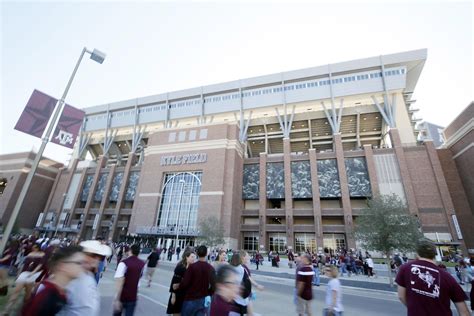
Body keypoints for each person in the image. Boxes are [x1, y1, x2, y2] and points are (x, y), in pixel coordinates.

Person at [396, 239, 469, 316]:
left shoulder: (405, 268)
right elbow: (464, 311)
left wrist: (414, 308)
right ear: (435, 254)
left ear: (417, 253)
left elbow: (401, 296)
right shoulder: (447, 277)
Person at [22, 246, 85, 316]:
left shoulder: (62, 292)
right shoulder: (47, 295)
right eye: (79, 263)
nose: (83, 266)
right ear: (63, 266)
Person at [57, 240, 112, 316]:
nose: (97, 260)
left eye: (101, 257)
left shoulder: (89, 277)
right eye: (93, 255)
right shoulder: (70, 275)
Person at [4, 243, 44, 314]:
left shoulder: (42, 254)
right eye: (33, 247)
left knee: (27, 295)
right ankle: (7, 310)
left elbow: (41, 265)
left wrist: (34, 273)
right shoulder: (30, 254)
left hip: (34, 275)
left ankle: (24, 309)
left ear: (38, 247)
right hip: (24, 273)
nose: (33, 248)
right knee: (16, 292)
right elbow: (24, 264)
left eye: (35, 247)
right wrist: (19, 274)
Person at [180, 245, 216, 316]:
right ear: (206, 254)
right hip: (202, 300)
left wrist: (180, 287)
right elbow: (214, 286)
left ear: (197, 254)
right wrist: (208, 293)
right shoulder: (210, 268)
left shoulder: (192, 267)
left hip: (190, 299)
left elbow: (185, 283)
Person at [113, 244, 145, 316]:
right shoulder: (142, 264)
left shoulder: (123, 263)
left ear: (130, 251)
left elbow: (119, 281)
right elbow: (138, 280)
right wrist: (137, 293)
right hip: (133, 296)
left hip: (122, 296)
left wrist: (117, 299)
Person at [166, 250, 196, 315]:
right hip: (178, 294)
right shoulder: (180, 267)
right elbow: (174, 281)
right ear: (187, 257)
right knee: (177, 312)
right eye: (192, 257)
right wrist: (173, 296)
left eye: (194, 257)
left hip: (187, 295)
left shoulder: (193, 268)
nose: (194, 259)